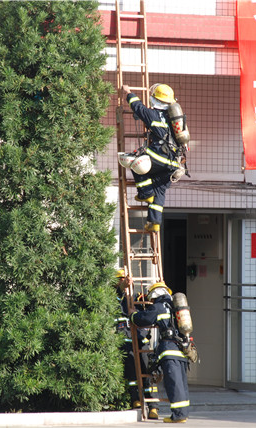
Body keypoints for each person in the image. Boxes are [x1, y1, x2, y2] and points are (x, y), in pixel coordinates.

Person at [120, 83, 184, 233]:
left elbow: (137, 106)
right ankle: (154, 222)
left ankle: (146, 193)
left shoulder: (152, 114)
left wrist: (128, 92)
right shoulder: (175, 119)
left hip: (158, 157)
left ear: (155, 99)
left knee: (135, 161)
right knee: (160, 191)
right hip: (174, 162)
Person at [129, 282, 190, 423]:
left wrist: (133, 315)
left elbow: (143, 319)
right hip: (182, 349)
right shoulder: (175, 306)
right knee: (181, 383)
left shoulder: (159, 306)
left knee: (173, 383)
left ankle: (178, 415)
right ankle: (183, 413)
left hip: (170, 350)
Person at [114, 270, 159, 419]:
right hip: (126, 341)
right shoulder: (114, 297)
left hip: (141, 341)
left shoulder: (139, 298)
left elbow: (149, 312)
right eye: (120, 280)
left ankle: (153, 406)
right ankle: (137, 400)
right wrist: (122, 289)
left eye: (125, 279)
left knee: (147, 372)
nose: (125, 282)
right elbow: (115, 300)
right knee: (131, 373)